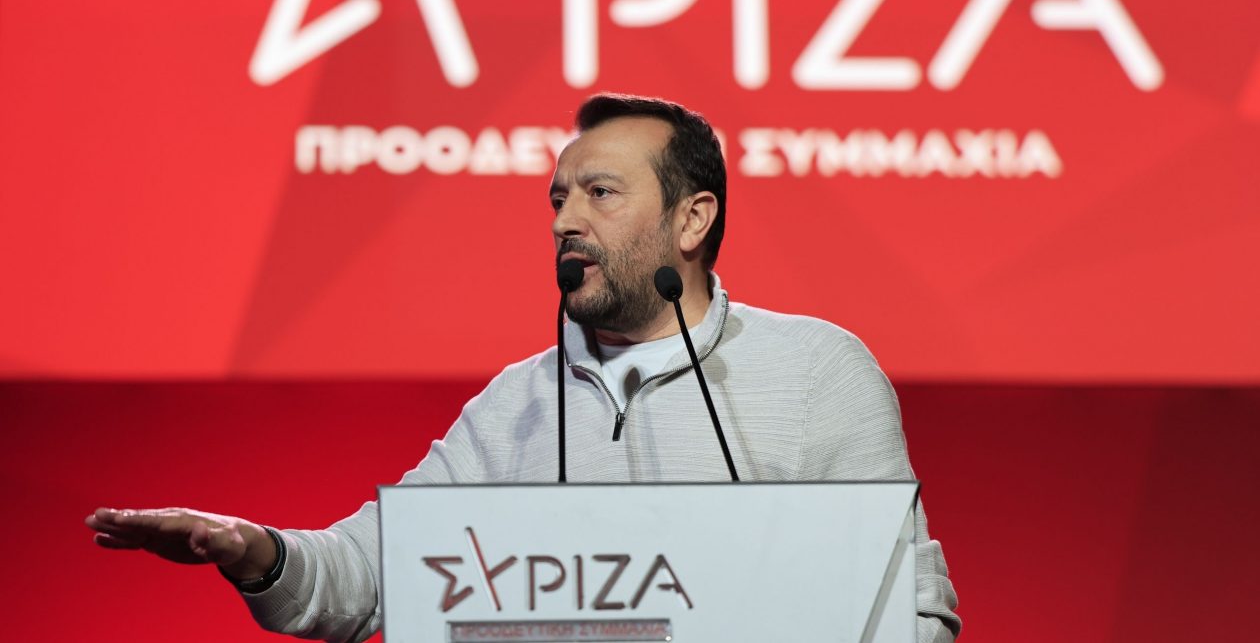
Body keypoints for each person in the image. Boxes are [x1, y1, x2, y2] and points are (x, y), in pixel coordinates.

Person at [86, 94, 961, 641]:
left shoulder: (815, 370)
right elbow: (372, 573)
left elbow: (909, 609)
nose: (564, 220)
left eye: (601, 194)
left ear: (692, 221)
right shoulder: (517, 405)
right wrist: (259, 552)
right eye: (558, 198)